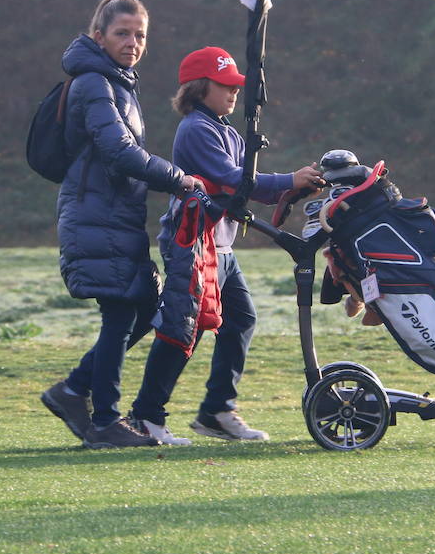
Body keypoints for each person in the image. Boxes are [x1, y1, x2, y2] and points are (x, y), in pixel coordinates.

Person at [128, 46, 324, 445]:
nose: (234, 93)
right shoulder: (197, 130)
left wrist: (289, 191)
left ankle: (217, 410)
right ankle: (146, 415)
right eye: (225, 86)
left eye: (237, 86)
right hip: (194, 244)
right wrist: (288, 179)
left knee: (240, 320)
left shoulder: (227, 131)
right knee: (184, 330)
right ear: (200, 88)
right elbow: (233, 180)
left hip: (222, 249)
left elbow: (241, 192)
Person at [40, 0, 198, 449]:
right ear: (99, 36)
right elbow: (118, 151)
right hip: (96, 215)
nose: (133, 43)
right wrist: (178, 178)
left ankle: (72, 391)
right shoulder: (95, 82)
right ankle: (106, 421)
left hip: (115, 215)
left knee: (144, 309)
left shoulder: (118, 82)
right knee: (121, 312)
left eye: (140, 35)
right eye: (123, 33)